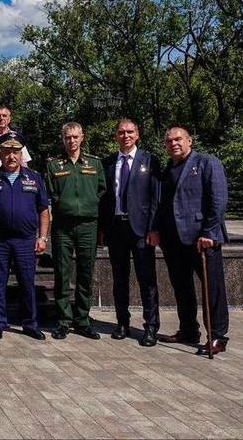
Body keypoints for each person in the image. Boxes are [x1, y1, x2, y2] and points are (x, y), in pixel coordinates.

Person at [157, 126, 230, 356]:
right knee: (182, 287)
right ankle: (188, 329)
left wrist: (209, 231)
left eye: (178, 139)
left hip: (202, 239)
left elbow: (218, 199)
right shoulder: (168, 169)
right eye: (168, 141)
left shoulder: (207, 162)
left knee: (213, 289)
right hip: (174, 240)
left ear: (189, 140)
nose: (173, 143)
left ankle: (217, 336)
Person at [0, 132, 49, 340]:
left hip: (26, 240)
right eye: (7, 152)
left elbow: (43, 209)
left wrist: (42, 237)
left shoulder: (34, 178)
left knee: (27, 282)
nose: (11, 156)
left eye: (15, 152)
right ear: (0, 154)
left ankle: (30, 323)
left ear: (21, 154)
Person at [98, 119, 161, 347]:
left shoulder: (149, 161)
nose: (125, 135)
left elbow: (156, 197)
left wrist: (154, 228)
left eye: (130, 132)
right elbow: (103, 199)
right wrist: (102, 229)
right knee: (119, 279)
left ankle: (151, 327)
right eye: (121, 132)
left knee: (147, 280)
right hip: (117, 228)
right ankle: (122, 323)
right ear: (116, 135)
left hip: (142, 230)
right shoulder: (107, 162)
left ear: (137, 134)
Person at [45, 122, 106, 340]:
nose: (71, 141)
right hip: (63, 225)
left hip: (88, 225)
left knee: (85, 273)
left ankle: (82, 320)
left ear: (82, 137)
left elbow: (101, 190)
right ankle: (63, 321)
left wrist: (88, 205)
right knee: (62, 272)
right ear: (63, 140)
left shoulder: (95, 163)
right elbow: (51, 192)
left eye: (75, 137)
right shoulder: (54, 165)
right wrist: (64, 204)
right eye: (67, 137)